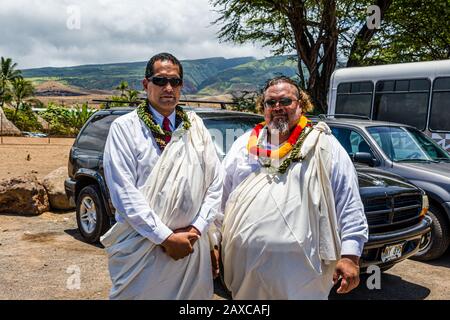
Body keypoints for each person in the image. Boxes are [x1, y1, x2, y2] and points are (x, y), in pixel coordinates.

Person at [215, 76, 369, 299]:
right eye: (270, 102)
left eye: (285, 101)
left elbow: (348, 201)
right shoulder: (243, 146)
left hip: (305, 274)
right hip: (246, 272)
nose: (278, 107)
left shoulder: (324, 146)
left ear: (301, 105)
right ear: (263, 107)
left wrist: (351, 255)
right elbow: (221, 199)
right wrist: (214, 244)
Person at [100, 52, 223, 299]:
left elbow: (215, 184)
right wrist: (165, 237)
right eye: (160, 80)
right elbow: (124, 193)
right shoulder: (125, 128)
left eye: (175, 81)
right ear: (146, 85)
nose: (168, 88)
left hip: (191, 246)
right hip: (143, 248)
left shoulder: (196, 127)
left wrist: (197, 230)